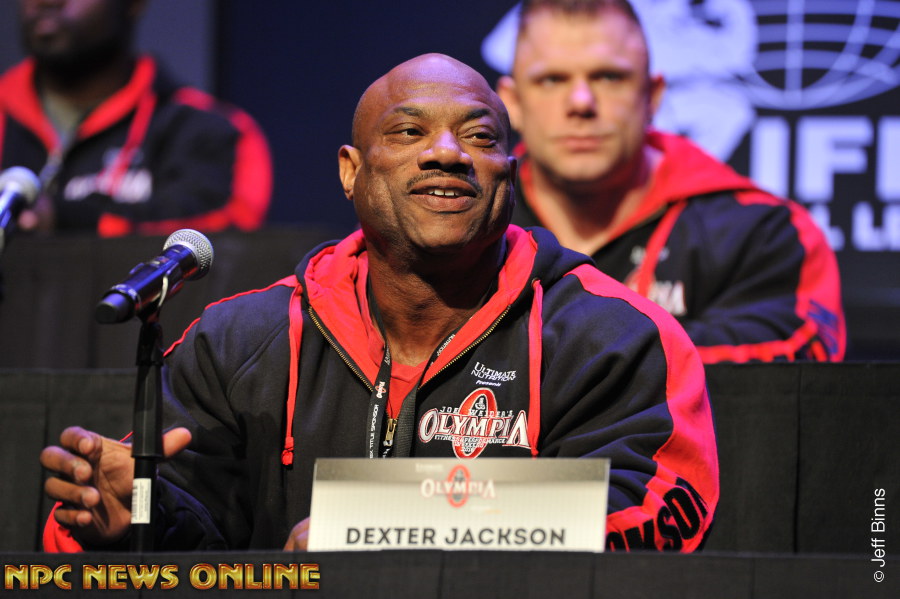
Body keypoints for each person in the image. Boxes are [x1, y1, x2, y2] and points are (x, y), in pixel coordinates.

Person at [40, 53, 718, 553]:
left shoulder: (611, 335)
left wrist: (391, 527)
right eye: (408, 132)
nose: (448, 154)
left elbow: (654, 517)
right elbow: (183, 531)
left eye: (480, 137)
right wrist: (132, 515)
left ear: (510, 175)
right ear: (351, 171)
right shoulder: (240, 340)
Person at [494, 0, 846, 363]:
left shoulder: (763, 233)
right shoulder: (471, 223)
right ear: (512, 103)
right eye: (551, 80)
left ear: (653, 97)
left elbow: (796, 365)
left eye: (609, 77)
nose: (581, 102)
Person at [0, 0, 272, 236]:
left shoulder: (212, 130)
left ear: (134, 3)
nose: (47, 1)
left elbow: (223, 238)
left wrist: (66, 219)